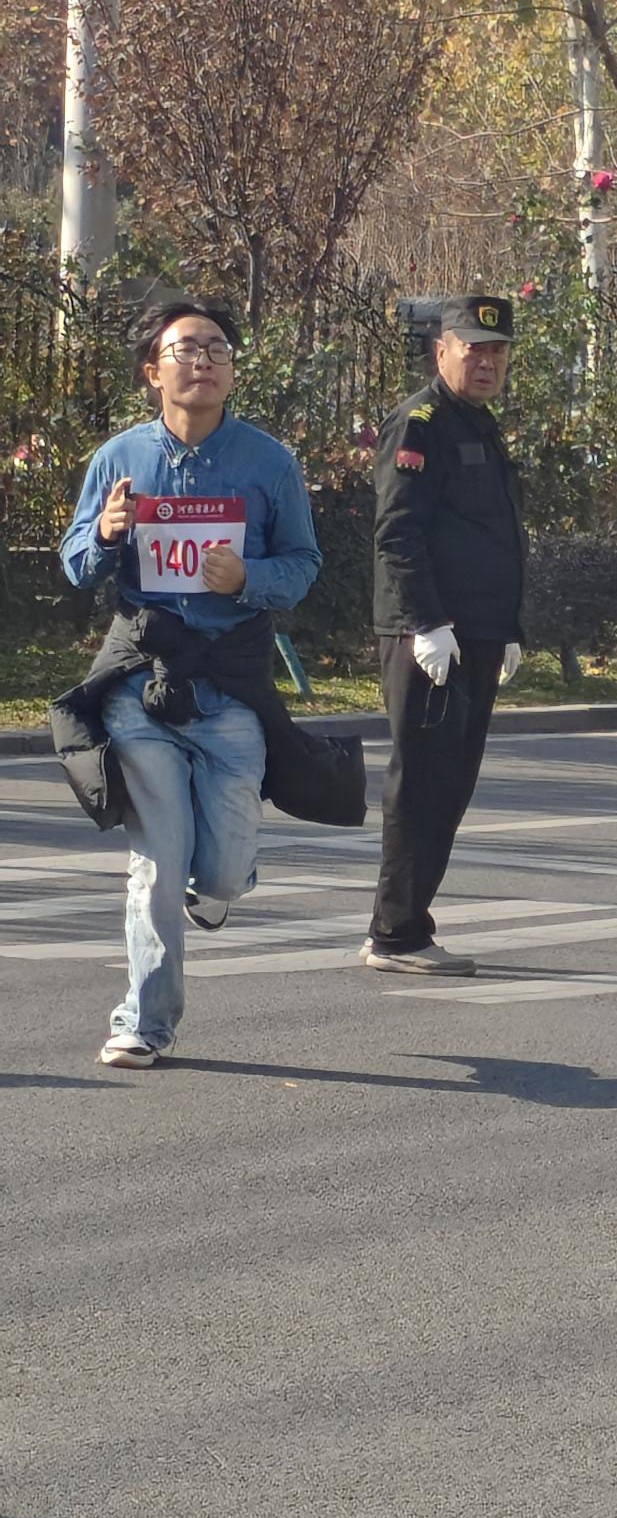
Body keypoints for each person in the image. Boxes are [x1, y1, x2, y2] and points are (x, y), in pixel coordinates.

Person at [54, 296, 363, 1069]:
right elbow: (74, 560)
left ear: (231, 370)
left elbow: (303, 564)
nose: (203, 361)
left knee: (219, 869)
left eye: (218, 348)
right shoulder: (119, 458)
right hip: (143, 682)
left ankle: (224, 880)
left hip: (231, 683)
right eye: (186, 349)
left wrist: (246, 577)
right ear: (152, 371)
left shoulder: (268, 462)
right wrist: (105, 533)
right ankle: (143, 1021)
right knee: (158, 861)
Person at [362, 294, 526, 976]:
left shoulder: (478, 423)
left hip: (476, 634)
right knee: (423, 784)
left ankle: (407, 922)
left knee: (450, 785)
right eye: (473, 349)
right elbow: (398, 532)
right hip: (433, 637)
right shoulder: (420, 422)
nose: (487, 362)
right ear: (442, 352)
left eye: (497, 351)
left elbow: (490, 534)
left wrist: (507, 628)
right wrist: (424, 622)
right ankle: (396, 933)